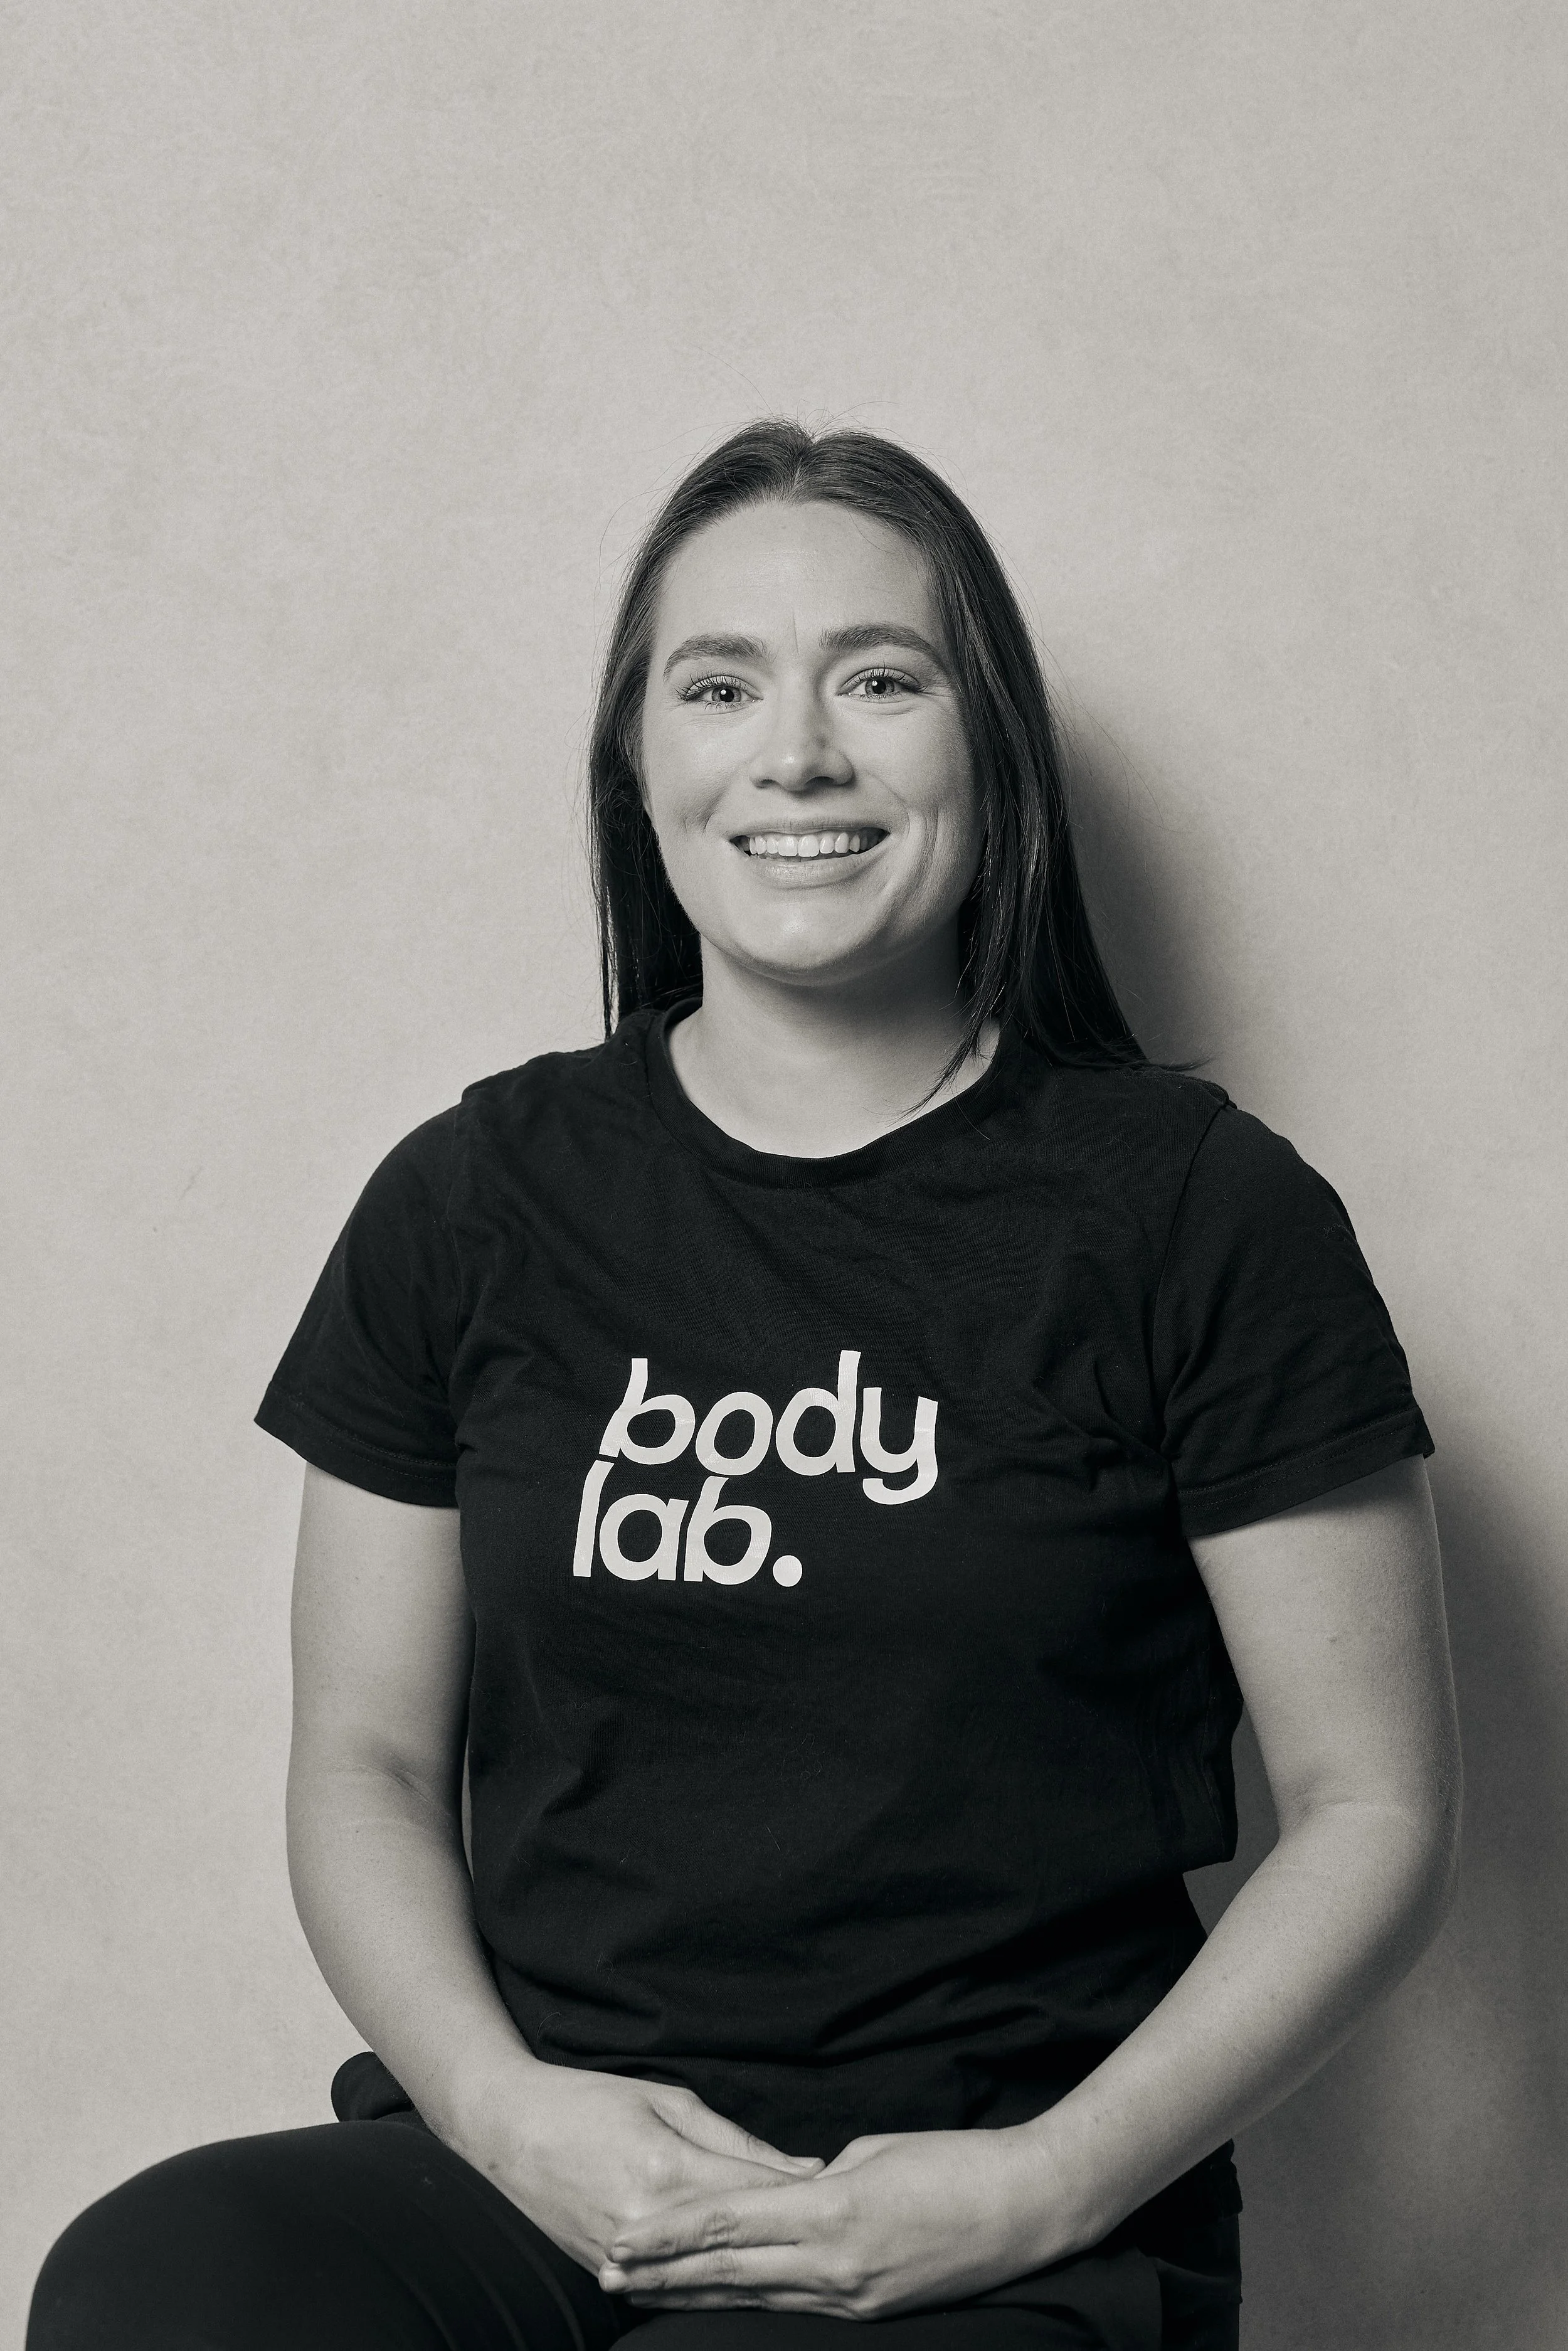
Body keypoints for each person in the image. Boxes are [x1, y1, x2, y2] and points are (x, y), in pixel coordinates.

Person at [29, 423, 1461, 2351]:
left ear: (990, 749)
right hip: (547, 2163)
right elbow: (362, 1756)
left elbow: (1370, 1802)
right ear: (642, 759)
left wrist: (1046, 2178)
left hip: (992, 2194)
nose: (797, 751)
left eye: (882, 677)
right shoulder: (475, 1198)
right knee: (158, 2283)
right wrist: (502, 2112)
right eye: (719, 686)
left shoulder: (1193, 1211)